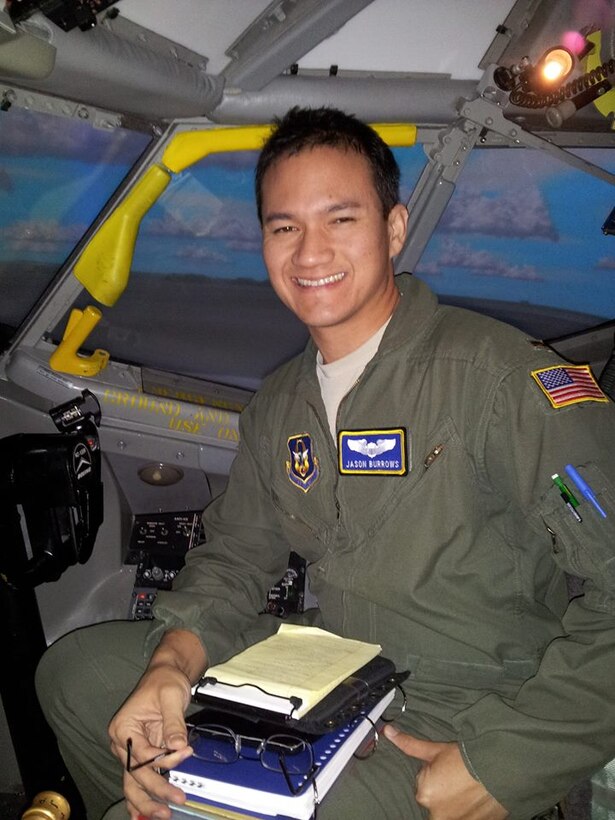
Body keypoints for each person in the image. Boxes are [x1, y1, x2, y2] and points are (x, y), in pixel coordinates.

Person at [37, 106, 615, 820]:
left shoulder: (499, 381)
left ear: (393, 228)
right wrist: (170, 665)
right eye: (285, 227)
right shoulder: (280, 403)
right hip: (337, 667)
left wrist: (509, 763)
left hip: (470, 701)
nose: (309, 253)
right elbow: (235, 558)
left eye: (339, 219)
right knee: (77, 674)